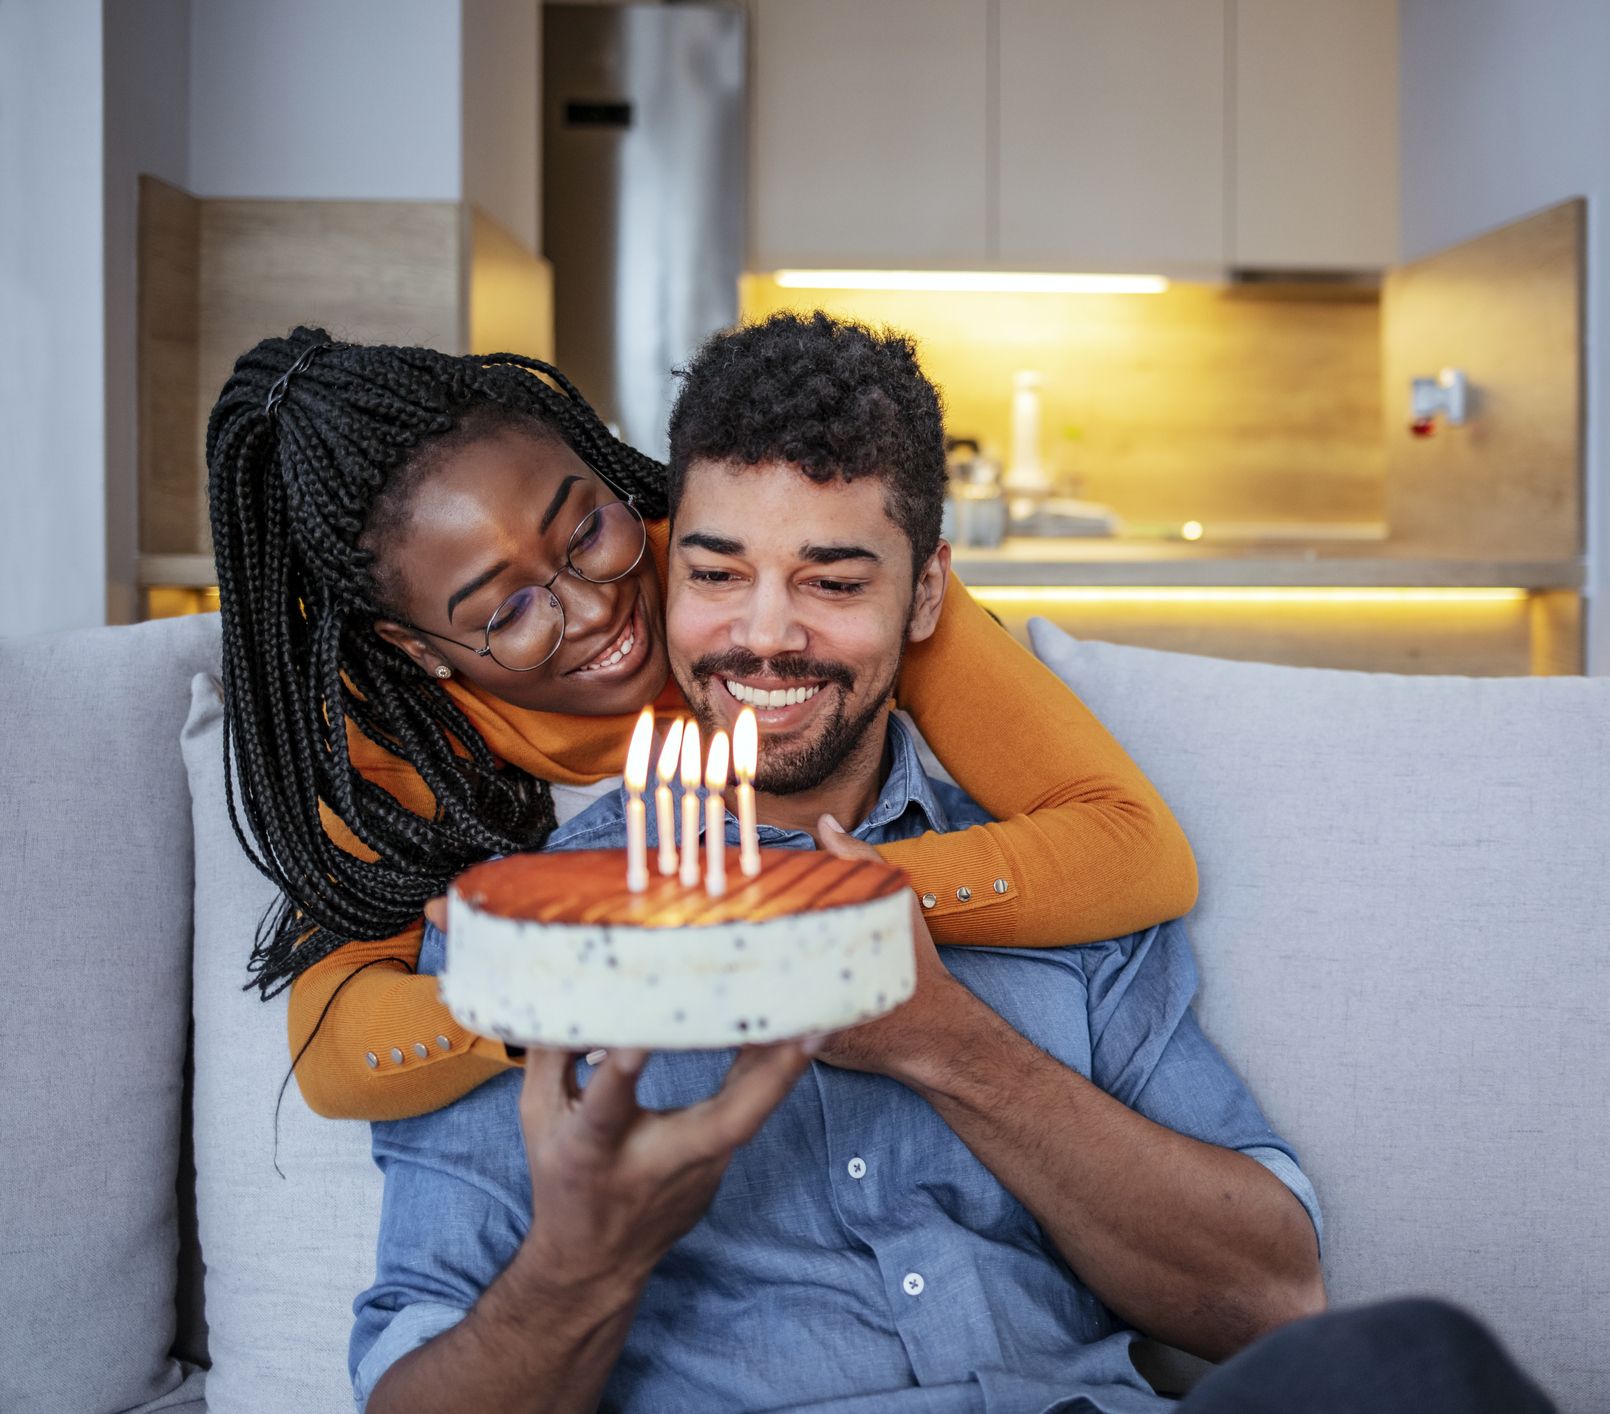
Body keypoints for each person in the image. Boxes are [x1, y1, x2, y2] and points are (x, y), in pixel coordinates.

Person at [350, 313, 1556, 1414]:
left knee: (1418, 1366)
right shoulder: (531, 938)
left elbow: (1268, 1296)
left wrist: (937, 1035)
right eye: (718, 574)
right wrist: (584, 1259)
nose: (766, 634)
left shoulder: (1052, 875)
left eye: (833, 580)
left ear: (925, 592)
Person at [205, 326, 1197, 1121]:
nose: (597, 609)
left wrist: (797, 904)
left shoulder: (792, 579)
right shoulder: (401, 736)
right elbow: (332, 1050)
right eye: (505, 610)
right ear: (422, 649)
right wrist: (563, 990)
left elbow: (1136, 848)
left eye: (587, 526)